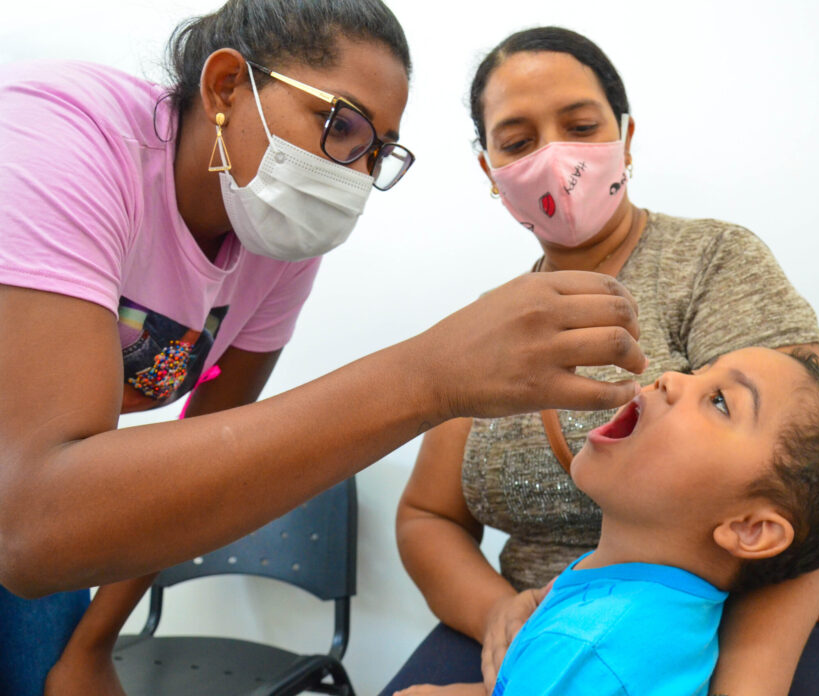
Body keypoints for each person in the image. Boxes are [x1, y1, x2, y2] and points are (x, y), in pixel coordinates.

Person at [0, 4, 649, 695]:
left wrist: (94, 646)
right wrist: (428, 376)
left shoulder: (275, 233)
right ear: (225, 87)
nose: (352, 174)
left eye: (375, 153)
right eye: (341, 127)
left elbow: (205, 466)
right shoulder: (57, 136)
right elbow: (35, 525)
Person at [387, 26, 819, 696]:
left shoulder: (712, 265)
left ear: (625, 139)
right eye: (518, 142)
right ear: (489, 169)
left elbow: (809, 488)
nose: (555, 157)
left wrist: (743, 688)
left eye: (580, 125)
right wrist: (500, 614)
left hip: (744, 635)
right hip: (549, 627)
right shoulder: (486, 329)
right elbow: (428, 517)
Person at [394, 348, 819, 696]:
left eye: (720, 401)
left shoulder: (590, 648)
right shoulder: (654, 606)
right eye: (699, 371)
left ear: (750, 528)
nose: (672, 378)